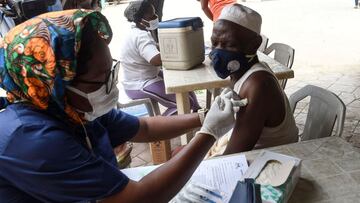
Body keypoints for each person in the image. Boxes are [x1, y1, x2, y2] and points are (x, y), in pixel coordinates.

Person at [0, 9, 240, 202]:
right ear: (55, 84)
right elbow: (138, 199)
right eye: (102, 77)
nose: (111, 84)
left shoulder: (72, 109)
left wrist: (204, 117)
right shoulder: (32, 138)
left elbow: (144, 128)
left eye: (111, 72)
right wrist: (209, 134)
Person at [206, 4, 299, 157]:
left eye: (228, 44)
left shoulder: (258, 84)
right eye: (214, 43)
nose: (217, 52)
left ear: (254, 44)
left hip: (270, 162)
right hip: (253, 156)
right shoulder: (242, 73)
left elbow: (232, 155)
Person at [120, 0, 201, 116]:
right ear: (141, 19)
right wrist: (180, 53)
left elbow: (154, 48)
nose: (156, 17)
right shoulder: (140, 35)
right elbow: (156, 60)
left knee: (181, 82)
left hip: (145, 76)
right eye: (152, 15)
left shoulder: (137, 31)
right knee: (186, 103)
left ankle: (197, 110)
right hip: (139, 83)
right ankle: (158, 128)